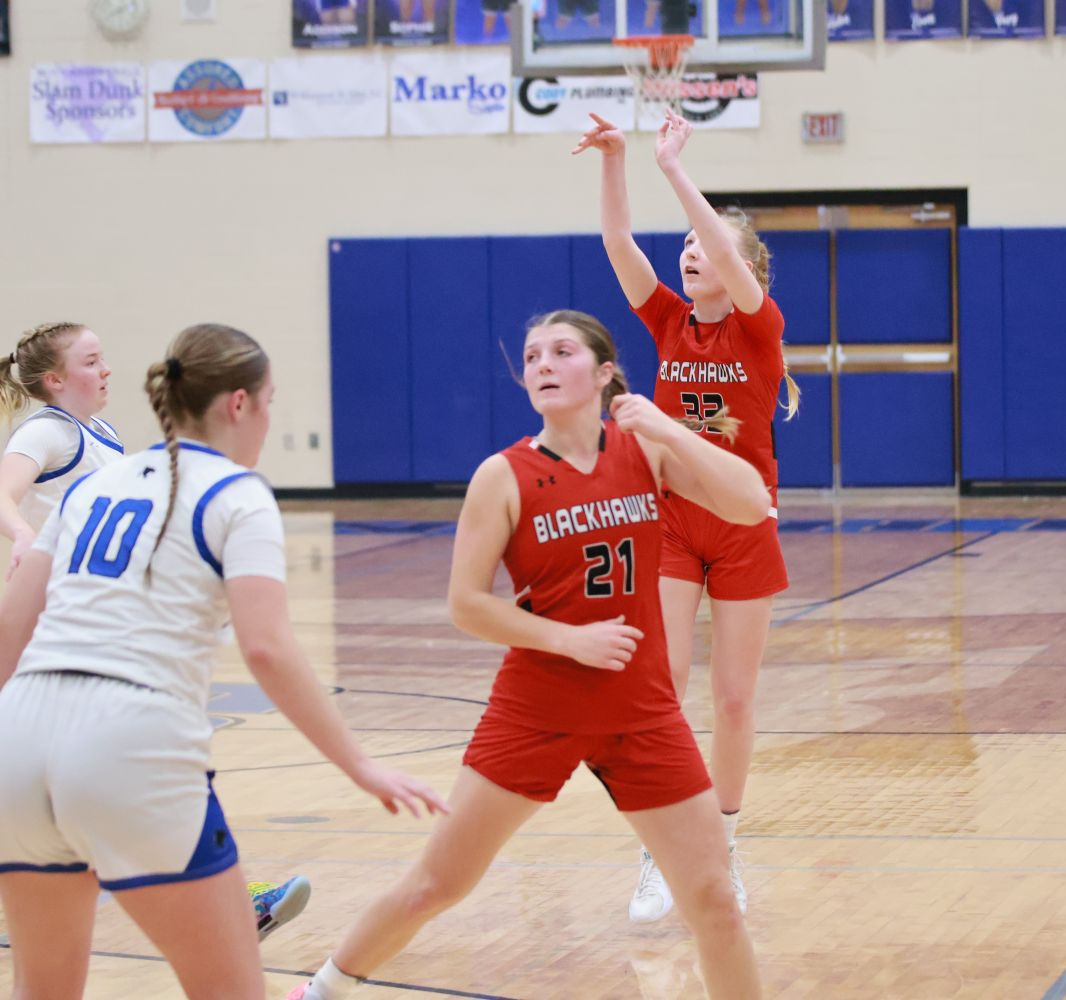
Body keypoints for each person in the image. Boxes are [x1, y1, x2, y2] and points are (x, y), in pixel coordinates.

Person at [286, 311, 767, 1000]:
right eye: (533, 355)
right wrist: (568, 639)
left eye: (562, 351)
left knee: (715, 902)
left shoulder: (645, 451)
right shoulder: (504, 475)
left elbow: (751, 505)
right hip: (538, 708)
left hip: (642, 710)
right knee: (436, 885)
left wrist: (668, 428)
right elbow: (466, 603)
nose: (542, 363)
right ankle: (321, 990)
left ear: (603, 372)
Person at [0, 323, 446, 1000]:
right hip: (128, 739)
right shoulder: (236, 493)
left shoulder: (94, 487)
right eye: (270, 402)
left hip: (17, 738)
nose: (269, 420)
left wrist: (8, 748)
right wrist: (360, 765)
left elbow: (4, 629)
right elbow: (267, 647)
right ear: (239, 404)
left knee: (42, 992)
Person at [0, 322, 311, 951]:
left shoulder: (100, 434)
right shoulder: (48, 431)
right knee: (120, 773)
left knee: (86, 789)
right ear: (56, 380)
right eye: (91, 360)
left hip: (97, 621)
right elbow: (0, 497)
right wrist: (22, 536)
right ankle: (229, 900)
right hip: (61, 624)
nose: (106, 369)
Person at [575, 108, 800, 923]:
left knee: (733, 701)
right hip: (670, 522)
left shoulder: (759, 327)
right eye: (686, 245)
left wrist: (674, 168)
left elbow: (727, 257)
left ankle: (723, 847)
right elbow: (618, 243)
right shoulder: (670, 320)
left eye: (705, 244)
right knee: (660, 689)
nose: (691, 252)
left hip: (741, 525)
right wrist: (617, 158)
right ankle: (662, 851)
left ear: (742, 267)